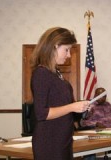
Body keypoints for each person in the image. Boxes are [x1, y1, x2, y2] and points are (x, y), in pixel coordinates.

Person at [30, 27, 90, 160]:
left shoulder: (55, 74)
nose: (69, 55)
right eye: (66, 50)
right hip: (49, 143)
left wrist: (79, 108)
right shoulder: (41, 73)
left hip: (62, 140)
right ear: (54, 46)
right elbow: (41, 113)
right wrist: (72, 107)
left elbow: (61, 106)